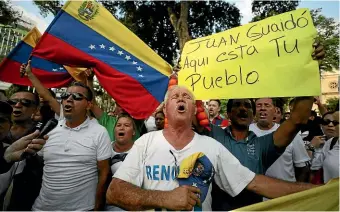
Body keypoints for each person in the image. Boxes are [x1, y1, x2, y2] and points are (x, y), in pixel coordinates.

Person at [106, 86, 317, 211]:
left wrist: (321, 189)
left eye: (187, 97)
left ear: (194, 113)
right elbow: (114, 193)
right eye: (175, 97)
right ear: (165, 109)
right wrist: (164, 198)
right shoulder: (146, 142)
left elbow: (256, 183)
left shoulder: (211, 146)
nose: (181, 98)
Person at [32, 82, 113, 211]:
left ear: (89, 104)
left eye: (77, 96)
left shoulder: (99, 132)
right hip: (42, 207)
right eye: (65, 95)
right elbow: (40, 161)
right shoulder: (50, 129)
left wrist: (97, 207)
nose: (69, 99)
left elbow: (103, 172)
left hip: (82, 208)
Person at [249, 98, 310, 183]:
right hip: (254, 193)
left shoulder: (290, 132)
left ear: (275, 110)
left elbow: (302, 168)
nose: (263, 108)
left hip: (286, 194)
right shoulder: (245, 133)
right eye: (259, 105)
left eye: (267, 105)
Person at [105, 114, 136, 211]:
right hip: (112, 203)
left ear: (133, 132)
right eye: (118, 125)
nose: (122, 128)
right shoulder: (105, 149)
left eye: (126, 125)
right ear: (114, 130)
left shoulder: (141, 150)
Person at [310, 111, 339, 183]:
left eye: (335, 122)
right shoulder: (312, 140)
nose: (330, 125)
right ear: (321, 125)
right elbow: (310, 170)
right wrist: (310, 147)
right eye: (326, 122)